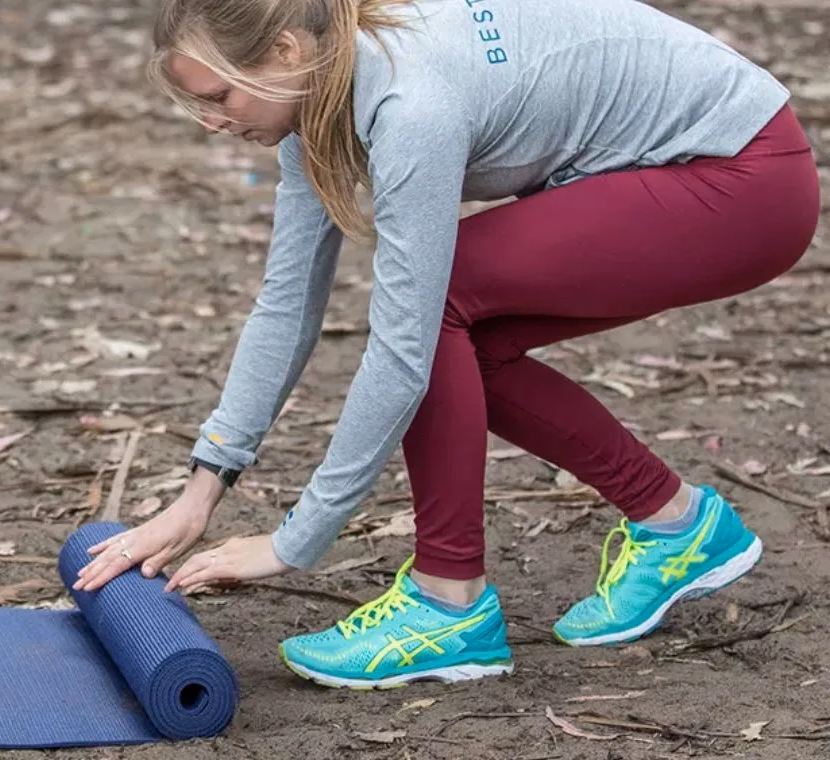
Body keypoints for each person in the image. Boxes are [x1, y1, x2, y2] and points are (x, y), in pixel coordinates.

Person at [73, 0, 821, 689]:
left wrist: (292, 544)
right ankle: (678, 525)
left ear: (283, 50)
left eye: (219, 97)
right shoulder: (323, 98)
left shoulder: (409, 105)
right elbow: (285, 306)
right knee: (461, 335)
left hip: (740, 177)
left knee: (440, 302)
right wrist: (199, 494)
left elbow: (402, 352)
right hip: (703, 171)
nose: (210, 121)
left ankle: (447, 600)